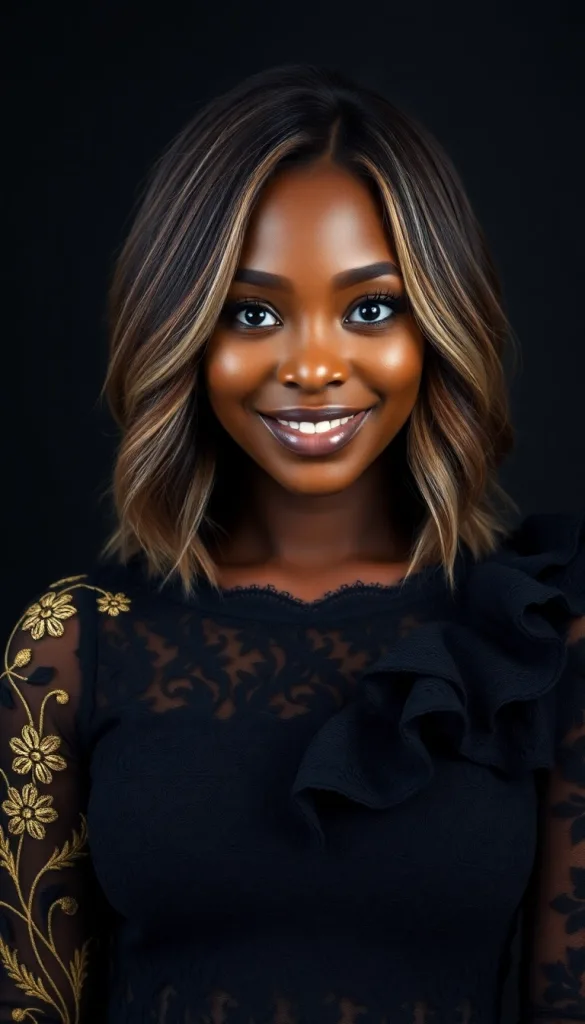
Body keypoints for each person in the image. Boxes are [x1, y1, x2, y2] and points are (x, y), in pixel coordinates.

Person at [1, 63, 584, 1024]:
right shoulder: (69, 648)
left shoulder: (538, 642)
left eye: (370, 308)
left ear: (437, 323)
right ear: (180, 325)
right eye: (253, 311)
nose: (313, 367)